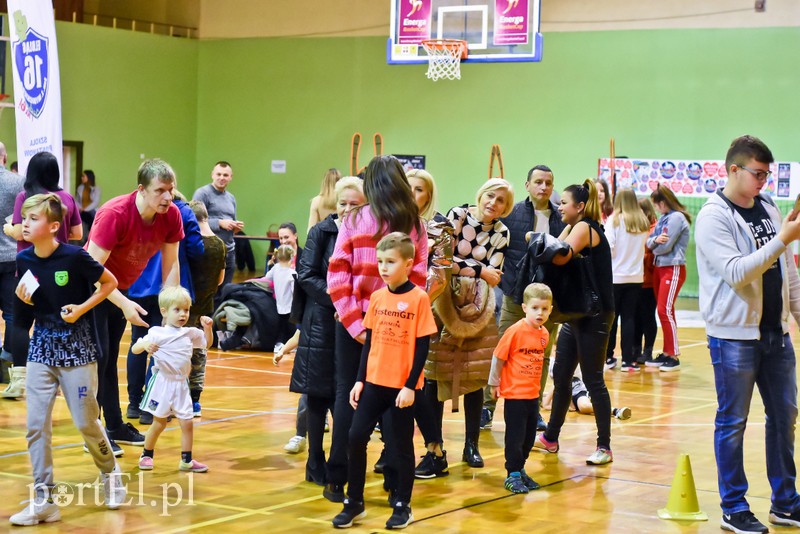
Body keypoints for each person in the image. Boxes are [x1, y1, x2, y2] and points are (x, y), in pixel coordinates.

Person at [696, 135, 800, 534]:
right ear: (733, 169)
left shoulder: (769, 206)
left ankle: (785, 503)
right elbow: (738, 272)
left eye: (766, 174)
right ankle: (734, 507)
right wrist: (783, 239)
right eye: (757, 173)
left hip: (776, 335)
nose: (762, 181)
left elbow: (786, 271)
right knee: (733, 422)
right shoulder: (713, 216)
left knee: (785, 418)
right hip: (733, 337)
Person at [9, 194, 123, 526]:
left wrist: (81, 309)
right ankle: (45, 500)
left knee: (86, 422)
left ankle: (110, 473)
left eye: (32, 218)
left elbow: (109, 283)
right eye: (24, 218)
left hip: (78, 349)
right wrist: (21, 301)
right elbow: (24, 316)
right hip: (42, 349)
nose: (25, 224)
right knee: (34, 427)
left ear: (54, 226)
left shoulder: (75, 257)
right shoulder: (26, 260)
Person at [325, 155, 427, 503]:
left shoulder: (354, 218)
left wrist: (355, 324)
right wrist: (385, 325)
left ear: (369, 185)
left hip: (355, 325)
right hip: (395, 328)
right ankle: (395, 482)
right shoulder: (415, 224)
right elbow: (418, 280)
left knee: (346, 397)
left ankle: (336, 480)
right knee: (393, 402)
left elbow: (337, 274)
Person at [331, 232, 437, 530]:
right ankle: (354, 502)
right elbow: (370, 342)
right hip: (374, 384)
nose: (383, 267)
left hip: (401, 388)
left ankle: (403, 505)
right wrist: (359, 380)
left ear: (408, 263)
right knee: (354, 437)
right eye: (380, 261)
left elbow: (423, 346)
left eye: (390, 262)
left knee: (399, 445)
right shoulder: (377, 298)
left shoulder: (419, 298)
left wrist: (410, 385)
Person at [85, 158, 183, 455]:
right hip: (90, 290)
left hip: (118, 288)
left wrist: (172, 307)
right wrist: (125, 303)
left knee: (110, 356)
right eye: (160, 190)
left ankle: (114, 425)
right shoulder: (115, 214)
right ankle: (94, 431)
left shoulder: (172, 215)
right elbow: (90, 272)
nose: (167, 197)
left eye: (171, 189)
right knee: (98, 359)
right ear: (141, 190)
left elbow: (171, 265)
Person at [424, 178, 513, 469]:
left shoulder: (502, 232)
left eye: (501, 200)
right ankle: (434, 445)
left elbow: (495, 274)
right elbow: (445, 262)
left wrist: (472, 269)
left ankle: (471, 445)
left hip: (479, 311)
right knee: (435, 376)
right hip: (443, 305)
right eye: (490, 196)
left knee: (475, 377)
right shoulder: (456, 216)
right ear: (480, 194)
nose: (493, 203)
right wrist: (478, 269)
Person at [284, 176, 365, 477]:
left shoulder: (368, 234)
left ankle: (339, 460)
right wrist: (340, 299)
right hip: (320, 322)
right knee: (317, 394)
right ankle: (314, 459)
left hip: (352, 324)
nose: (346, 209)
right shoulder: (321, 231)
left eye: (354, 204)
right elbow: (305, 275)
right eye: (342, 203)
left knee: (344, 396)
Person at [534, 179, 615, 465]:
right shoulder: (574, 226)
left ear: (579, 207)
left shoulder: (586, 227)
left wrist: (536, 242)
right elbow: (558, 245)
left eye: (564, 203)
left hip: (596, 314)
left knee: (593, 379)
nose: (559, 206)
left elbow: (559, 255)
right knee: (562, 374)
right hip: (576, 313)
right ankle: (550, 438)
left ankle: (604, 446)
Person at [482, 165, 565, 432]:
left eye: (548, 183)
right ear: (527, 185)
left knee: (539, 356)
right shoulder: (513, 213)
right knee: (502, 349)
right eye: (538, 182)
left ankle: (535, 409)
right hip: (515, 296)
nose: (543, 187)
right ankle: (487, 407)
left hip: (545, 301)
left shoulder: (561, 219)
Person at [2, 151, 82, 401]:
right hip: (60, 272)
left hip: (29, 269)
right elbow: (78, 233)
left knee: (20, 322)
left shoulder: (26, 197)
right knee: (57, 322)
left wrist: (8, 227)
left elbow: (20, 232)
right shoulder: (66, 198)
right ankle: (58, 379)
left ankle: (20, 379)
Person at [125, 189, 204, 426]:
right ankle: (151, 407)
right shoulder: (182, 211)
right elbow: (195, 249)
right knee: (163, 346)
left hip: (137, 285)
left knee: (139, 343)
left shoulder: (139, 212)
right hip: (165, 286)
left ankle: (133, 403)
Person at [133, 286, 213, 473]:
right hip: (162, 384)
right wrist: (146, 345)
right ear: (164, 312)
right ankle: (146, 454)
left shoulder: (190, 333)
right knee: (159, 423)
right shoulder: (157, 333)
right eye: (177, 310)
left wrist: (208, 328)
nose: (182, 314)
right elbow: (135, 348)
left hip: (181, 385)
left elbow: (206, 344)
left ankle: (186, 460)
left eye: (186, 310)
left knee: (187, 422)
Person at [487, 282, 551, 494]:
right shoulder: (515, 331)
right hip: (514, 395)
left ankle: (520, 468)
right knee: (514, 436)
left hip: (532, 395)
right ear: (524, 308)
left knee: (528, 436)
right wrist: (494, 383)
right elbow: (498, 357)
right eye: (535, 308)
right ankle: (512, 473)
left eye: (544, 308)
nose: (539, 313)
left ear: (550, 309)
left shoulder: (544, 335)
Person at [644, 184, 692, 371]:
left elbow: (666, 247)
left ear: (663, 202)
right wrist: (655, 241)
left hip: (672, 267)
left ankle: (673, 355)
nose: (655, 208)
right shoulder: (664, 218)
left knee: (665, 311)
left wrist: (654, 243)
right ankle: (666, 352)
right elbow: (650, 241)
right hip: (660, 267)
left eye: (656, 204)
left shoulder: (677, 218)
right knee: (664, 311)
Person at [604, 188, 650, 371]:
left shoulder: (614, 221)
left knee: (612, 319)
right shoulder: (642, 222)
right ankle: (628, 360)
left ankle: (608, 357)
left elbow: (609, 248)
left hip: (616, 276)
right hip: (636, 277)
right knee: (629, 318)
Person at [187, 200, 226, 416]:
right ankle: (195, 401)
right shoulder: (220, 244)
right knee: (199, 355)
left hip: (186, 305)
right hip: (206, 305)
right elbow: (220, 279)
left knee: (181, 354)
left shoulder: (191, 242)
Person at [6, 151, 83, 251]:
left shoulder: (24, 196)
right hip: (60, 259)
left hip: (31, 260)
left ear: (31, 173)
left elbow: (19, 234)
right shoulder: (68, 197)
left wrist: (9, 229)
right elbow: (77, 234)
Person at [192, 161, 243, 303]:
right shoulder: (202, 193)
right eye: (218, 174)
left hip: (229, 250)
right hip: (210, 251)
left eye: (225, 175)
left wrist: (234, 227)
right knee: (209, 292)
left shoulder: (231, 198)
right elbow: (194, 221)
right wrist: (219, 223)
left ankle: (216, 323)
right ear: (212, 175)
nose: (222, 177)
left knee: (224, 292)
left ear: (231, 177)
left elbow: (231, 220)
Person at [0, 141, 24, 399]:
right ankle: (7, 361)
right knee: (12, 314)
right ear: (5, 158)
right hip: (12, 256)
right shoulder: (18, 183)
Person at [633, 197, 658, 364]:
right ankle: (635, 349)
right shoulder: (636, 227)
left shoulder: (654, 228)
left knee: (647, 316)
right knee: (635, 316)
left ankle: (647, 350)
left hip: (649, 281)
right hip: (635, 279)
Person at [263, 244, 297, 345]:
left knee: (281, 327)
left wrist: (270, 265)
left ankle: (279, 343)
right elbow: (294, 291)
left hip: (278, 304)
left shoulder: (275, 268)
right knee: (290, 327)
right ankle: (289, 344)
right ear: (291, 257)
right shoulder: (292, 273)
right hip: (289, 306)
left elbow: (267, 278)